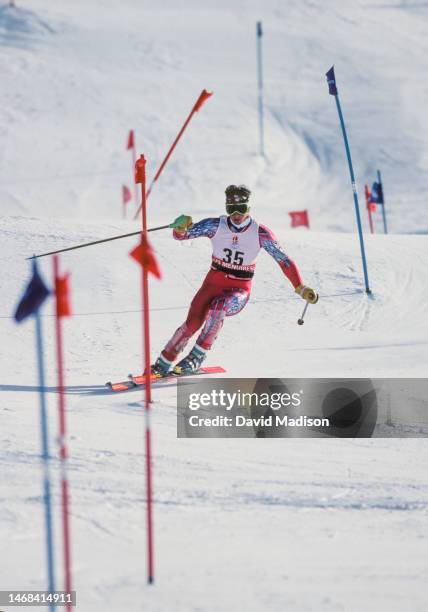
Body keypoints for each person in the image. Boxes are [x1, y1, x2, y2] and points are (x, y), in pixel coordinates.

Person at [152, 184, 318, 376]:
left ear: (249, 208)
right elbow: (182, 235)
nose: (237, 214)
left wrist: (300, 287)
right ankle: (163, 362)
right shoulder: (215, 225)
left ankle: (196, 357)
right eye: (231, 209)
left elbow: (284, 261)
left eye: (242, 208)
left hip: (238, 291)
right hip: (212, 284)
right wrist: (180, 228)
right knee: (192, 323)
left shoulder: (260, 233)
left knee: (220, 306)